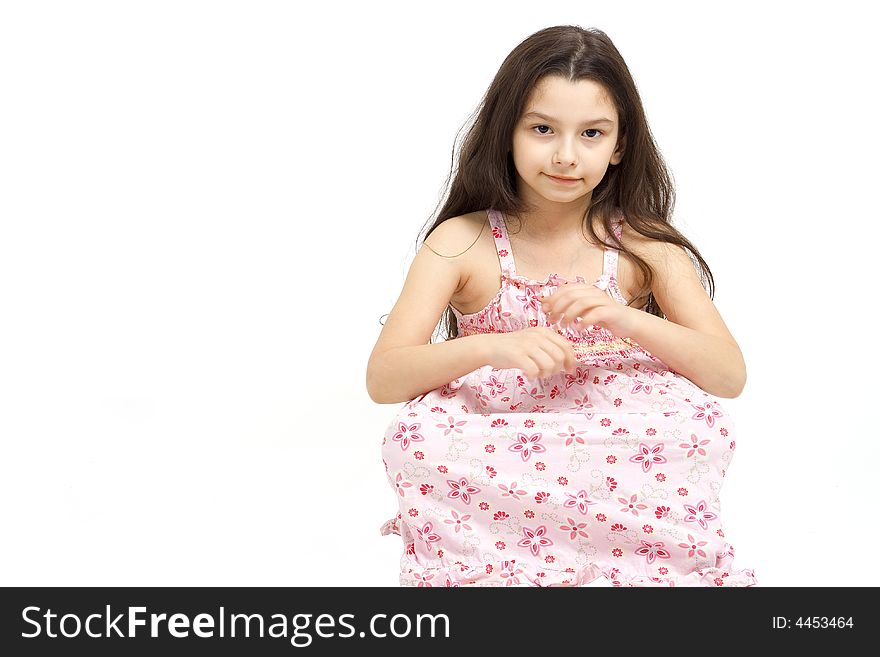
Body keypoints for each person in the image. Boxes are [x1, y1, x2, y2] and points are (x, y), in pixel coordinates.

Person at [366, 25, 757, 587]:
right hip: (500, 431)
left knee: (698, 428)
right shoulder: (461, 242)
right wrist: (492, 347)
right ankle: (500, 571)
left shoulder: (645, 246)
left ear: (620, 144)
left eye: (592, 133)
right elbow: (384, 379)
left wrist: (626, 318)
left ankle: (630, 569)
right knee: (415, 439)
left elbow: (728, 374)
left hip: (615, 434)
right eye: (543, 129)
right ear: (507, 132)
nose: (566, 156)